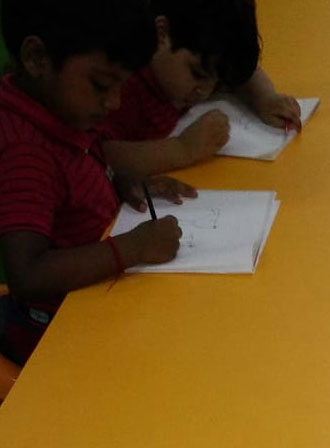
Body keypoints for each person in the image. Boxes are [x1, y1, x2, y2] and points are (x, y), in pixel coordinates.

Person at [0, 0, 195, 365]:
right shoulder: (26, 151)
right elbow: (27, 274)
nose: (115, 102)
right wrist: (133, 248)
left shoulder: (58, 108)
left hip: (97, 300)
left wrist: (118, 180)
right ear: (37, 58)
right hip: (56, 337)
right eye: (102, 84)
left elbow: (71, 179)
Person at [99, 0, 302, 175]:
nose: (205, 91)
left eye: (216, 81)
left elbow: (239, 70)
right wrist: (182, 150)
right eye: (197, 74)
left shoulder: (197, 59)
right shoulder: (122, 85)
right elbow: (100, 155)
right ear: (161, 34)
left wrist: (265, 98)